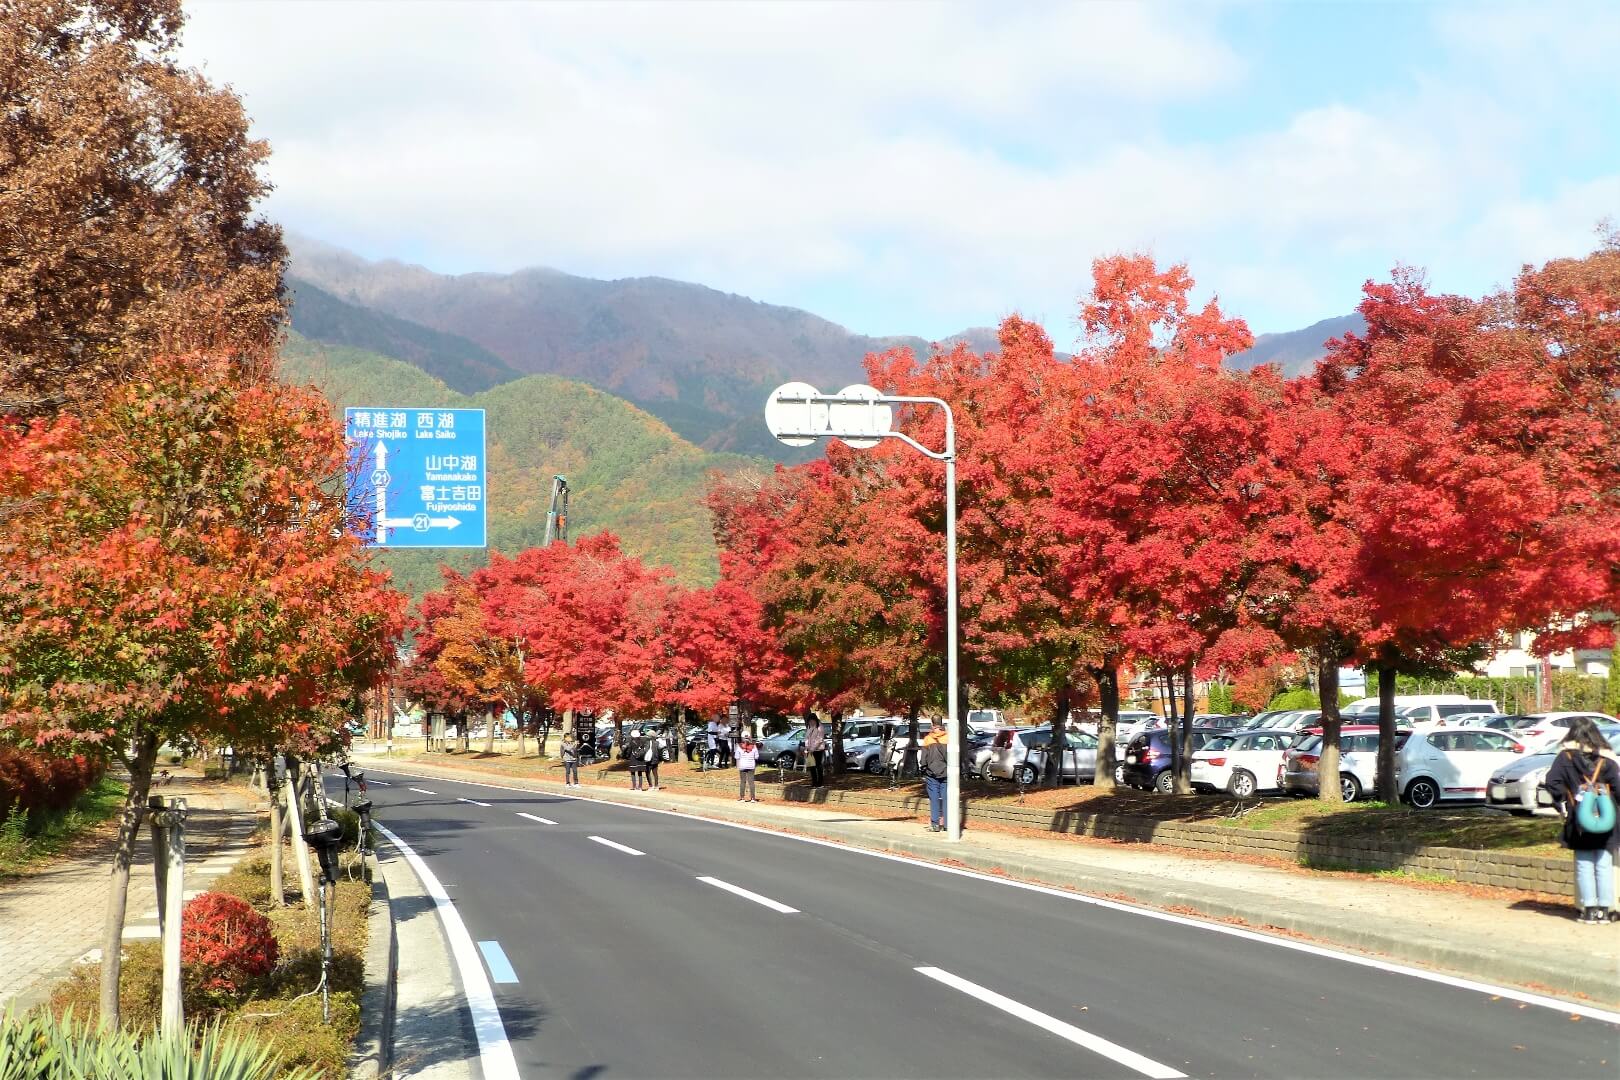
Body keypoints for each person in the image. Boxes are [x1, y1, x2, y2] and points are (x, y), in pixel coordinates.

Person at [1544, 716, 1619, 923]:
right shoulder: (1607, 760)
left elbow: (1553, 783)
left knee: (1585, 865)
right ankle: (1605, 910)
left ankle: (1588, 910)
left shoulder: (1564, 759)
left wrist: (1562, 799)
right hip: (1607, 821)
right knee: (1603, 865)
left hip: (1580, 821)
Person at [920, 719, 949, 832]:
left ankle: (935, 824)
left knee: (934, 799)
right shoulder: (948, 738)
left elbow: (923, 759)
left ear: (932, 725)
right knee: (947, 798)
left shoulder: (928, 739)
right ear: (942, 725)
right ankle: (947, 824)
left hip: (932, 773)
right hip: (946, 772)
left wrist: (923, 768)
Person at [735, 730, 759, 802]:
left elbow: (737, 757)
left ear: (742, 737)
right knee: (751, 782)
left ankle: (742, 798)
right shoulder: (754, 746)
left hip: (742, 765)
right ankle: (753, 798)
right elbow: (756, 757)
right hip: (751, 766)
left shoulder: (739, 746)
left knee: (743, 781)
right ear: (749, 737)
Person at [806, 714, 827, 788]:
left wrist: (813, 748)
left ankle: (820, 782)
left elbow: (820, 739)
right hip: (810, 749)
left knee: (818, 765)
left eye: (812, 721)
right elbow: (807, 738)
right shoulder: (809, 727)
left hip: (818, 749)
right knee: (812, 766)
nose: (811, 722)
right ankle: (814, 782)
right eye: (810, 721)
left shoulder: (819, 727)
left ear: (815, 720)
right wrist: (807, 747)